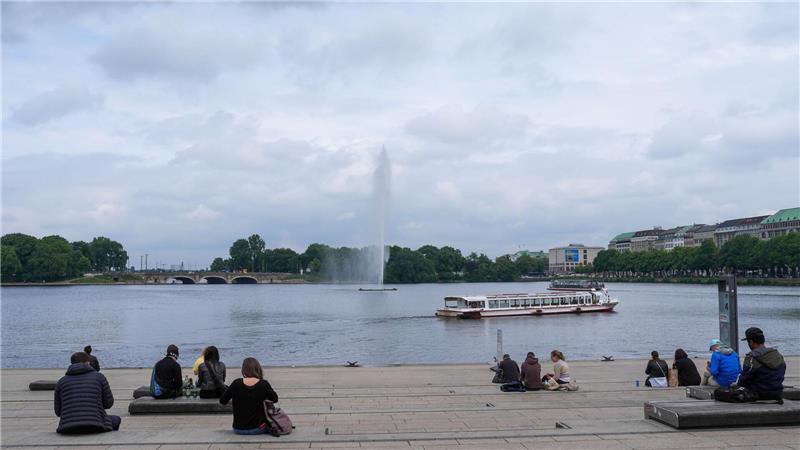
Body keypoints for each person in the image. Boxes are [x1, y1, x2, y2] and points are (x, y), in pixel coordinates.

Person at [54, 352, 121, 434]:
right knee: (116, 419)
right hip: (96, 425)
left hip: (67, 428)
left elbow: (58, 411)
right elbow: (108, 403)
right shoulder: (99, 377)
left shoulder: (61, 381)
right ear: (88, 362)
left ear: (71, 363)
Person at [219, 357, 279, 435]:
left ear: (243, 370)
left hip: (238, 429)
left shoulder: (236, 383)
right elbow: (275, 399)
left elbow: (223, 401)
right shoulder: (264, 384)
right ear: (258, 369)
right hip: (258, 428)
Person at [736, 327, 786, 403]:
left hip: (757, 396)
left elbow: (744, 380)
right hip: (777, 394)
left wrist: (736, 387)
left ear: (751, 342)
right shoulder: (778, 355)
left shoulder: (751, 357)